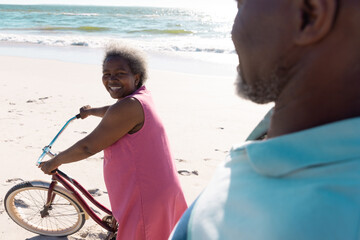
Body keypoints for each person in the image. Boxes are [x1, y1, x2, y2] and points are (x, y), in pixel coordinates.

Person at [170, 0, 360, 239]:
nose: (233, 30)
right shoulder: (282, 136)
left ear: (308, 15)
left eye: (241, 4)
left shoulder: (320, 221)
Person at [39, 43, 187, 240]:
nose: (111, 79)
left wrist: (55, 161)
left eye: (119, 73)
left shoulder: (128, 107)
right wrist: (91, 112)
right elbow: (114, 111)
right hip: (156, 186)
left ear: (136, 76)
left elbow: (88, 146)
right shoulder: (140, 97)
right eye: (106, 74)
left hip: (145, 196)